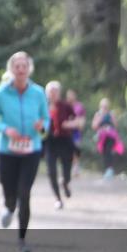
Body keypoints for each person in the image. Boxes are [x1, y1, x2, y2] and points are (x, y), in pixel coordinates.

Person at [0, 51, 49, 252]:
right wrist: (5, 129)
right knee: (9, 192)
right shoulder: (0, 93)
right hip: (7, 150)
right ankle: (9, 207)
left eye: (24, 66)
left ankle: (22, 239)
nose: (21, 70)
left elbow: (46, 119)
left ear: (29, 69)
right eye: (17, 66)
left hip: (31, 150)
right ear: (11, 69)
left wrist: (42, 126)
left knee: (25, 193)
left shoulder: (38, 93)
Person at [44, 81, 79, 209]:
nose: (53, 94)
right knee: (51, 171)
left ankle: (65, 182)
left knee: (66, 170)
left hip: (65, 141)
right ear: (47, 94)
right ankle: (58, 198)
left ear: (59, 93)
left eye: (55, 91)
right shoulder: (43, 106)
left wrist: (69, 124)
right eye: (50, 92)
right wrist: (42, 132)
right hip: (49, 143)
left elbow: (76, 120)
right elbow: (38, 124)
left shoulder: (65, 106)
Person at [91, 98, 123, 179]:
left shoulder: (111, 113)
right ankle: (107, 170)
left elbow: (116, 126)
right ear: (100, 106)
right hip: (102, 137)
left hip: (110, 136)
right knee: (104, 152)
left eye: (106, 106)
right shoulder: (98, 114)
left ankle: (110, 170)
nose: (104, 108)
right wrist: (100, 119)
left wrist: (113, 118)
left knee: (109, 151)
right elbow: (94, 126)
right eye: (103, 106)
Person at [65, 89, 85, 177]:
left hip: (76, 133)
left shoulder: (79, 106)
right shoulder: (65, 105)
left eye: (72, 95)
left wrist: (77, 124)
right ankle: (68, 168)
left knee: (76, 150)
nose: (70, 97)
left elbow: (81, 120)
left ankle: (76, 167)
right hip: (66, 132)